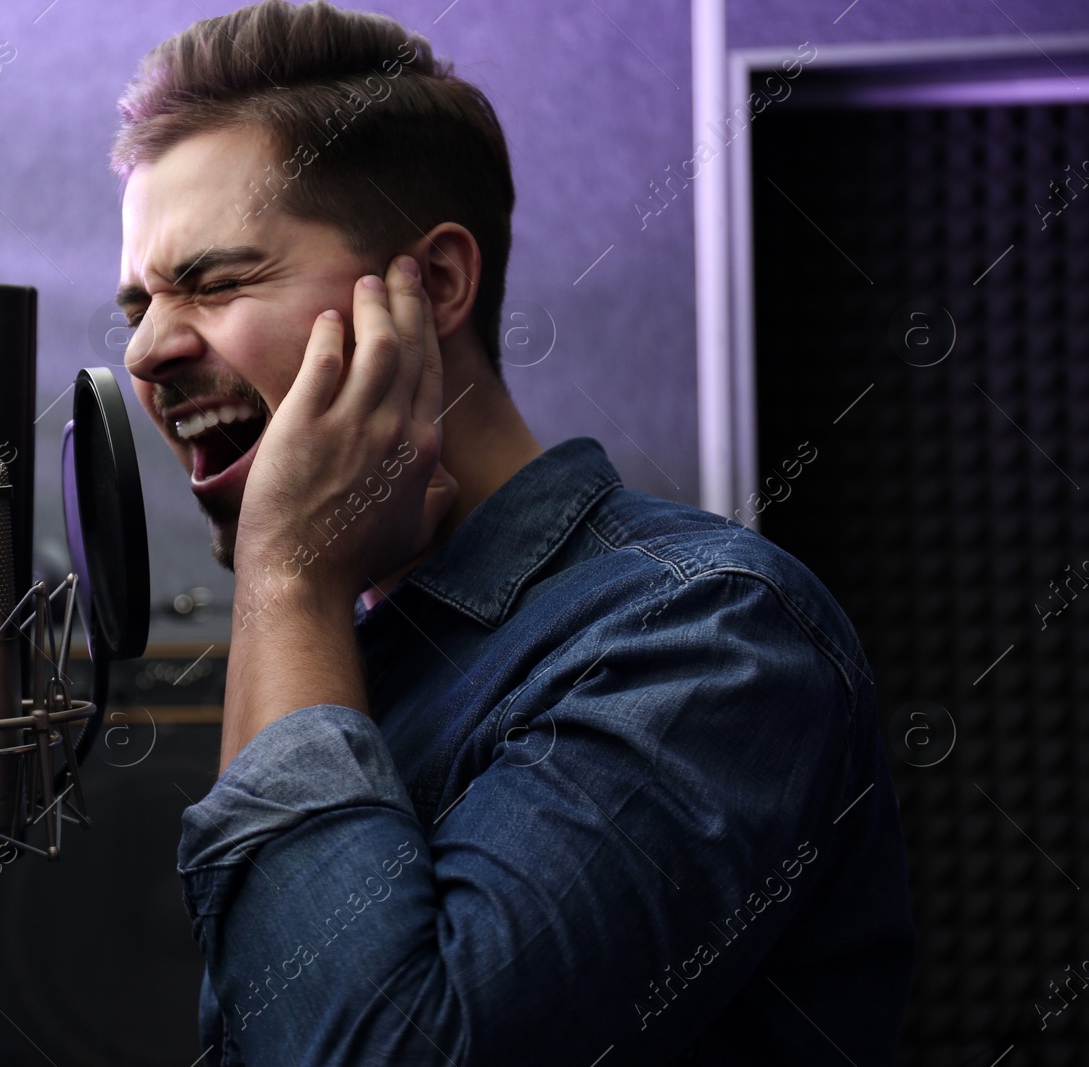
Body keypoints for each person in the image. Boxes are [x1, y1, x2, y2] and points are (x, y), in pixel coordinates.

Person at [108, 2, 915, 1063]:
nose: (149, 352)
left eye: (214, 282)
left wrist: (289, 577)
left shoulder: (708, 638)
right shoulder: (345, 653)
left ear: (435, 285)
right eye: (137, 308)